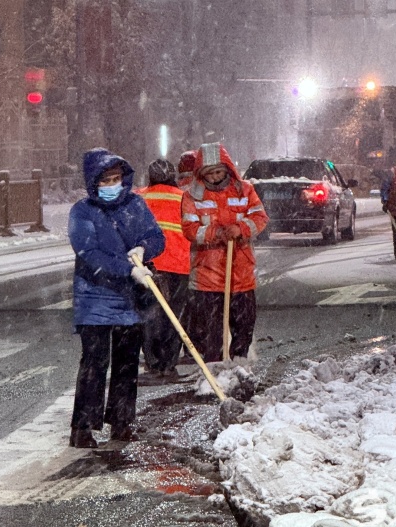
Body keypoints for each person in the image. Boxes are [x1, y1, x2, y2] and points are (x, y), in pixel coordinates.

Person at [67, 147, 165, 448]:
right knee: (95, 362)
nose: (113, 185)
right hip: (94, 299)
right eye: (106, 180)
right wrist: (127, 270)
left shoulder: (135, 205)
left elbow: (157, 236)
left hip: (129, 301)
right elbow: (89, 253)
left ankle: (121, 421)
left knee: (126, 363)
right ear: (93, 182)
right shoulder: (82, 212)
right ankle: (83, 427)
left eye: (117, 178)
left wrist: (144, 249)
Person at [180, 142, 269, 363]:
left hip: (241, 271)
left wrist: (241, 228)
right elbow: (190, 229)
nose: (215, 178)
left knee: (243, 323)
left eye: (219, 172)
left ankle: (239, 361)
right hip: (208, 273)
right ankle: (215, 366)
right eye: (210, 174)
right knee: (211, 328)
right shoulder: (193, 197)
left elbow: (260, 218)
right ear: (201, 174)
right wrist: (216, 233)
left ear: (228, 169)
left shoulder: (245, 190)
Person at [135, 158, 191, 379]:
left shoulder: (139, 197)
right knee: (174, 315)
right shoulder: (184, 198)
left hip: (150, 264)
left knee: (149, 315)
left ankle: (153, 363)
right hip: (179, 264)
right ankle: (168, 363)